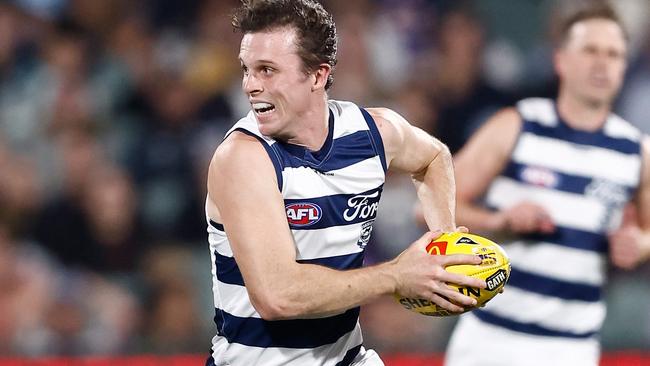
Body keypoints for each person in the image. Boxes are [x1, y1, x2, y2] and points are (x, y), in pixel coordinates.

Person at [204, 1, 487, 365]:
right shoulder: (244, 157)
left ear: (318, 75)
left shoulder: (373, 134)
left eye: (267, 70)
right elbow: (278, 296)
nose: (250, 85)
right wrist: (397, 276)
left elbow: (434, 157)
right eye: (247, 69)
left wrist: (443, 244)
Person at [444, 3, 650, 366]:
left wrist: (639, 246)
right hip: (490, 339)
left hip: (571, 348)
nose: (602, 63)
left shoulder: (636, 151)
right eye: (590, 51)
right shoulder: (518, 125)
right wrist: (499, 223)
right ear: (561, 60)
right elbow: (432, 206)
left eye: (614, 54)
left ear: (623, 67)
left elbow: (648, 235)